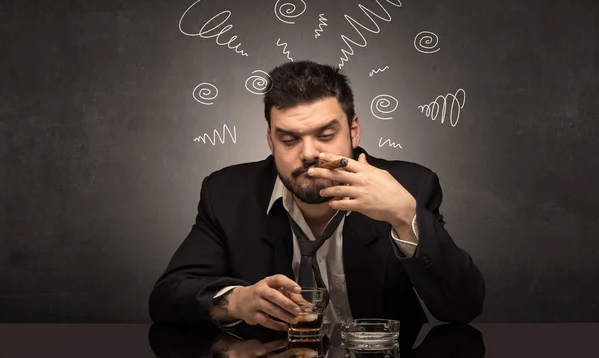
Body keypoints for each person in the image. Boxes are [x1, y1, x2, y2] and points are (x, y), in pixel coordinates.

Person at [149, 60, 485, 331]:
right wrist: (236, 301)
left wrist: (404, 216)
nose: (309, 153)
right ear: (270, 140)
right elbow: (166, 298)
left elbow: (463, 307)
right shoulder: (225, 194)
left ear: (353, 130)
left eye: (325, 134)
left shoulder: (411, 186)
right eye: (289, 139)